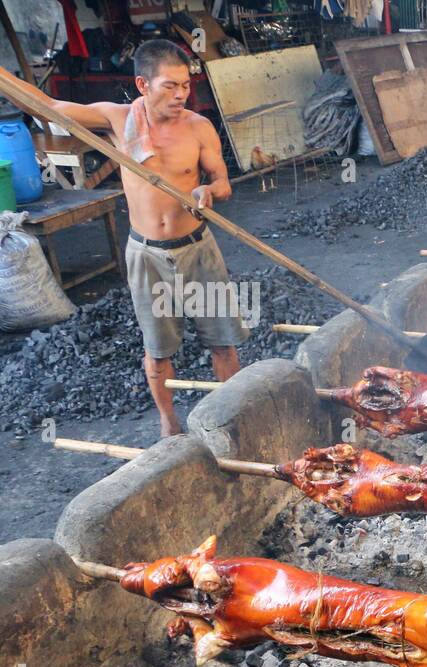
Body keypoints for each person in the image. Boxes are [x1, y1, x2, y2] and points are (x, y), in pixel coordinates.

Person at [0, 40, 246, 438]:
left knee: (223, 341)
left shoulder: (199, 128)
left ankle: (232, 420)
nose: (181, 94)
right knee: (158, 348)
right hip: (147, 255)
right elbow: (46, 106)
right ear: (142, 85)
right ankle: (169, 425)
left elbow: (222, 182)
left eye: (185, 84)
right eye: (170, 86)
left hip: (198, 249)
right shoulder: (117, 120)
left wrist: (210, 191)